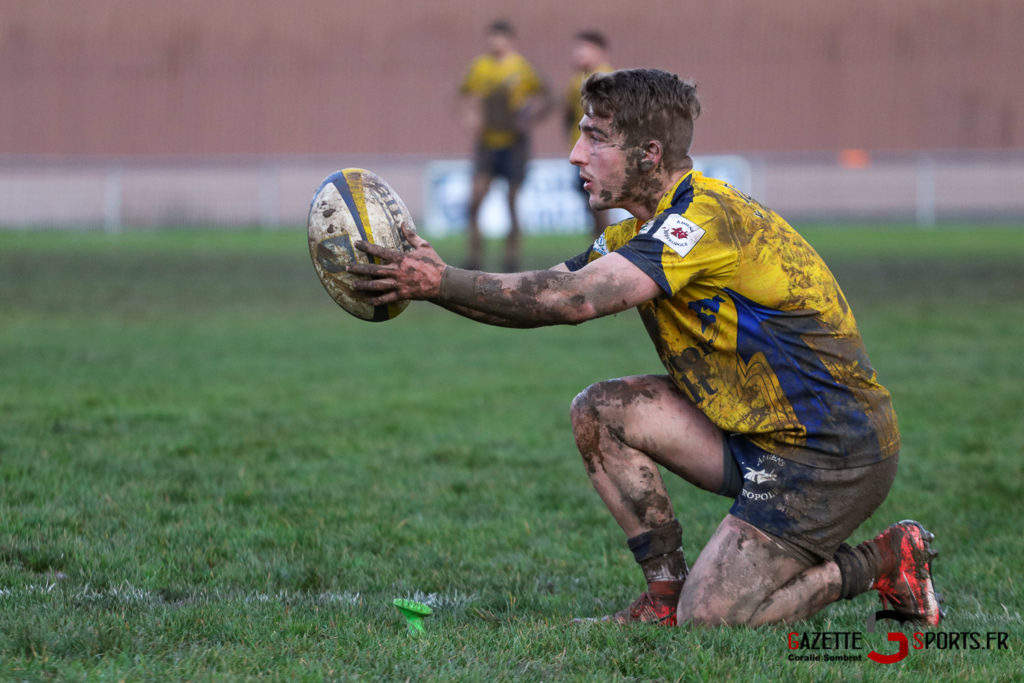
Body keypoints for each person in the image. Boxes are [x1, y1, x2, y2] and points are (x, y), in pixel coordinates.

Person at [346, 68, 942, 628]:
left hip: (831, 455)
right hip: (752, 435)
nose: (576, 154)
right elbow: (540, 294)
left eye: (595, 138)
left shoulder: (703, 219)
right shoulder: (637, 229)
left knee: (711, 619)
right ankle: (662, 594)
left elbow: (572, 300)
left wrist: (438, 281)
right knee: (599, 411)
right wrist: (429, 281)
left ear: (648, 155)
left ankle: (884, 561)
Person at [456, 20, 552, 272]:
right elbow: (460, 95)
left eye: (500, 37)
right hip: (487, 143)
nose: (494, 42)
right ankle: (474, 255)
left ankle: (512, 258)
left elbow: (548, 96)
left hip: (515, 144)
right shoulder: (479, 67)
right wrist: (470, 117)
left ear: (510, 40)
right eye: (491, 37)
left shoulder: (521, 68)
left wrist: (530, 120)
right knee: (475, 198)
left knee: (511, 200)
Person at [564, 31, 613, 238]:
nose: (579, 54)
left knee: (599, 204)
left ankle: (609, 251)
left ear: (600, 52)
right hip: (583, 152)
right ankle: (600, 250)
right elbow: (567, 115)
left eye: (585, 49)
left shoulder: (608, 79)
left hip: (599, 152)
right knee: (591, 205)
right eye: (577, 49)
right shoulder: (576, 81)